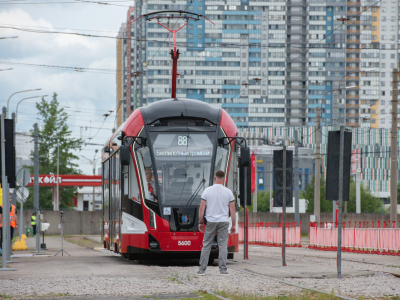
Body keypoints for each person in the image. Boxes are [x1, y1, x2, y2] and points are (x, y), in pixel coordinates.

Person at [197, 170, 236, 276]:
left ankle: (202, 270)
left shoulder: (207, 191)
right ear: (224, 180)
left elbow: (201, 208)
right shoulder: (228, 192)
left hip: (210, 221)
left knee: (206, 245)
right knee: (223, 245)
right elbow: (232, 210)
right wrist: (233, 224)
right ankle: (223, 270)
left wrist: (200, 222)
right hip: (223, 221)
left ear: (215, 178)